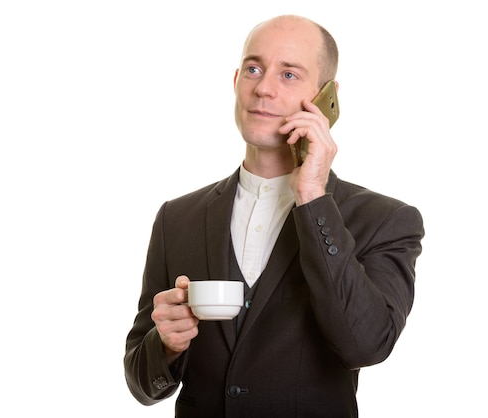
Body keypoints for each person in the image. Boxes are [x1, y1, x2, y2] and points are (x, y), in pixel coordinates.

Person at [124, 14, 424, 418]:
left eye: (288, 75)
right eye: (253, 69)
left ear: (325, 97)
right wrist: (166, 345)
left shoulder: (385, 220)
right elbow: (142, 385)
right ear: (235, 82)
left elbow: (367, 346)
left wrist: (313, 196)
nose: (263, 88)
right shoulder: (175, 219)